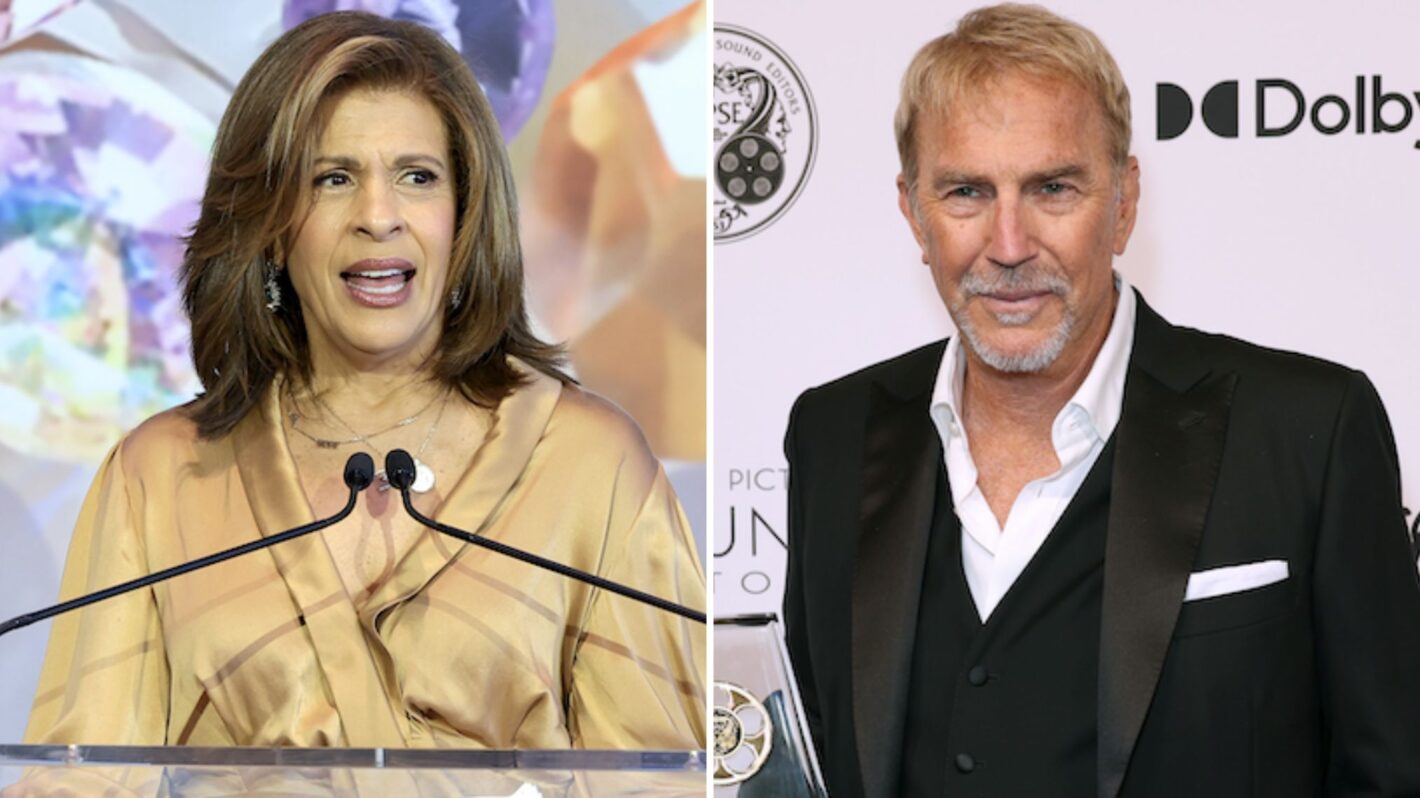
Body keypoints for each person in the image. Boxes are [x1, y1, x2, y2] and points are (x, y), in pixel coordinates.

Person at [22, 11, 705, 757]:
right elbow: (77, 775)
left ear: (464, 216)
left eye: (417, 177)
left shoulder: (590, 464)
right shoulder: (159, 477)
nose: (377, 217)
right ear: (273, 224)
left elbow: (658, 773)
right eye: (332, 178)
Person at [781, 4, 1420, 796]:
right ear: (914, 213)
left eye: (1053, 187)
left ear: (1123, 201)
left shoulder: (1309, 430)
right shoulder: (830, 435)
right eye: (967, 193)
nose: (1009, 246)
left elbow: (1392, 773)